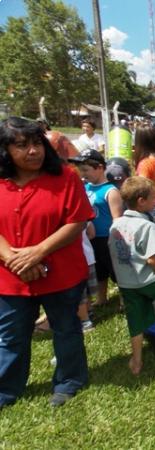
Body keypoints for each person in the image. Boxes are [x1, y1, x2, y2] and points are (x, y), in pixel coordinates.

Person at [0, 117, 94, 408]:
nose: (33, 151)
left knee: (66, 328)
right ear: (5, 150)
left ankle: (69, 381)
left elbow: (77, 221)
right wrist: (14, 259)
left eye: (37, 143)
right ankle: (6, 389)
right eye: (22, 145)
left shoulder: (65, 177)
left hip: (61, 273)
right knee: (11, 335)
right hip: (11, 276)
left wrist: (37, 252)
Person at [108, 177, 155, 375]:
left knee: (135, 321)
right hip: (147, 280)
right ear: (141, 201)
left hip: (126, 283)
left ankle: (137, 361)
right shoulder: (147, 226)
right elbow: (152, 259)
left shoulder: (115, 225)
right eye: (153, 198)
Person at [70, 149, 123, 306]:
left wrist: (115, 239)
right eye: (81, 170)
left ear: (100, 168)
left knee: (115, 269)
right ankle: (101, 297)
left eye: (86, 170)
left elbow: (117, 218)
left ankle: (124, 298)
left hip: (107, 237)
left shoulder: (111, 191)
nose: (83, 174)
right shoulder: (85, 187)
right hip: (91, 238)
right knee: (99, 270)